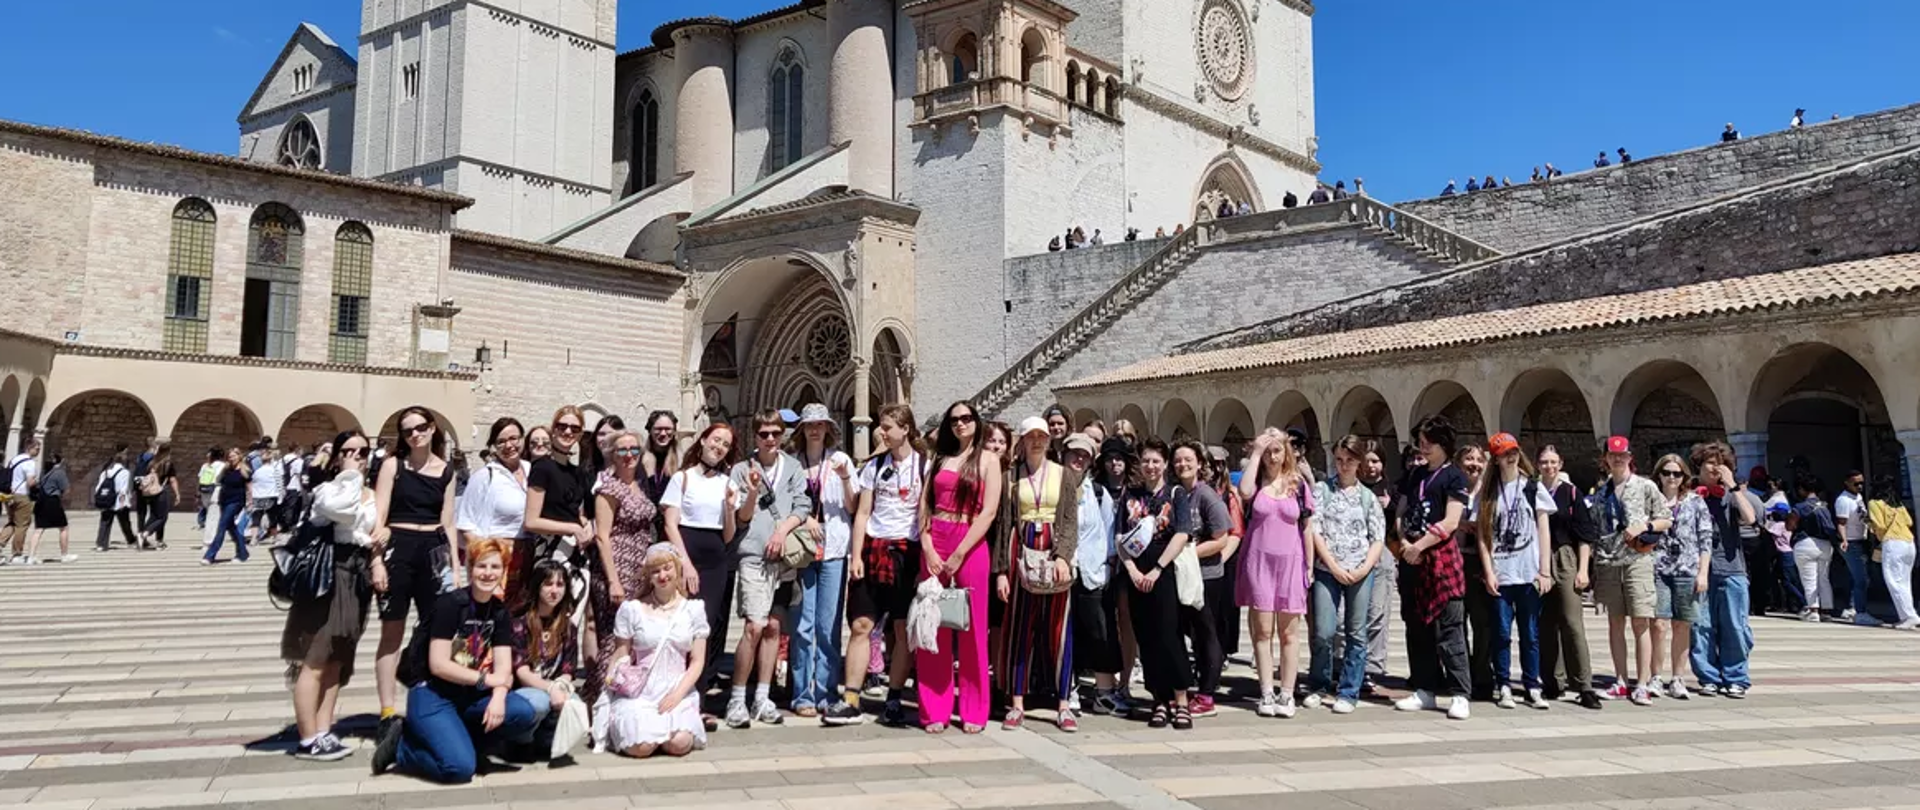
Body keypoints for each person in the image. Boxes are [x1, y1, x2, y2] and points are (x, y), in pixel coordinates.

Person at [370, 539, 536, 783]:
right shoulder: (450, 604)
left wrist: (499, 697)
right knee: (458, 769)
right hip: (434, 693)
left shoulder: (500, 612)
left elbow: (504, 669)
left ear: (503, 571)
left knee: (521, 711)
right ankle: (403, 748)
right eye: (481, 566)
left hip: (471, 695)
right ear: (470, 569)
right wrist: (486, 679)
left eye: (495, 567)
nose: (488, 573)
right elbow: (438, 665)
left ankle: (466, 743)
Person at [283, 431, 379, 761]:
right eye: (348, 450)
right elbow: (343, 511)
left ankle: (324, 730)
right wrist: (350, 474)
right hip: (328, 576)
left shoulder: (371, 492)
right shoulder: (330, 489)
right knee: (315, 658)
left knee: (338, 658)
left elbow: (374, 528)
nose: (357, 455)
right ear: (336, 455)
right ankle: (307, 737)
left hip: (356, 576)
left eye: (362, 451)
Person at [827, 405, 924, 726]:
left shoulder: (925, 466)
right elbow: (863, 513)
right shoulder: (874, 466)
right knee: (860, 626)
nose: (881, 432)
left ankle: (894, 698)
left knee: (901, 630)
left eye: (887, 427)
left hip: (907, 552)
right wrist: (856, 556)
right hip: (873, 549)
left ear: (905, 428)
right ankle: (852, 698)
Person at [373, 406, 462, 739]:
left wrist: (455, 566)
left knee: (435, 630)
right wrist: (376, 560)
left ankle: (427, 705)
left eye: (421, 427)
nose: (415, 434)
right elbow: (378, 517)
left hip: (433, 550)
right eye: (408, 430)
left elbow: (449, 521)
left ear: (432, 428)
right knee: (391, 633)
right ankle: (387, 712)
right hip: (398, 547)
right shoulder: (393, 466)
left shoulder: (447, 471)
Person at [917, 401, 1003, 734]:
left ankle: (973, 709)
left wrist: (959, 553)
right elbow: (924, 505)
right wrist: (927, 547)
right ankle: (934, 709)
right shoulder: (938, 459)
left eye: (966, 418)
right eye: (954, 420)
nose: (960, 424)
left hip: (969, 544)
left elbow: (989, 512)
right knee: (933, 625)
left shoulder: (988, 460)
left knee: (972, 631)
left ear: (976, 422)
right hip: (936, 538)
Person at [994, 417, 1079, 731]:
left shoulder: (1063, 475)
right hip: (1021, 550)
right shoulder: (1010, 477)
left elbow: (1070, 519)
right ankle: (1017, 702)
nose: (1037, 441)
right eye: (1031, 436)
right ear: (1023, 441)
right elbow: (1004, 525)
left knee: (1059, 628)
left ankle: (1064, 703)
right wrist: (1001, 570)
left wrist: (1064, 557)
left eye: (1041, 436)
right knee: (1020, 626)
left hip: (1053, 550)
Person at [728, 410, 810, 728]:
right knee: (754, 627)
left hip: (785, 559)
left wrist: (782, 531)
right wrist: (751, 490)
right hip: (754, 557)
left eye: (776, 432)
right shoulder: (741, 470)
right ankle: (737, 699)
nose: (771, 439)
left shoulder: (792, 467)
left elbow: (802, 506)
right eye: (764, 434)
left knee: (775, 628)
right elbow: (743, 518)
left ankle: (762, 697)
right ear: (755, 436)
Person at [1391, 416, 1472, 721]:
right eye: (1420, 441)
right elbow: (1402, 510)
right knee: (1416, 626)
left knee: (1450, 628)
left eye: (1428, 442)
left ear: (1443, 445)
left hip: (1439, 559)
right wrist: (1402, 541)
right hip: (1411, 557)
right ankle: (1424, 688)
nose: (1422, 447)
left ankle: (1460, 692)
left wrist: (1420, 545)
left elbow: (1451, 521)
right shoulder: (1415, 474)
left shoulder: (1454, 477)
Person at [595, 543, 709, 758]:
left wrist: (677, 694)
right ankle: (634, 728)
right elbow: (622, 654)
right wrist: (611, 682)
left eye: (667, 568)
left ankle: (664, 729)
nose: (662, 575)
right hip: (641, 690)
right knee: (641, 747)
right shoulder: (633, 609)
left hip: (677, 687)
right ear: (648, 576)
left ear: (677, 568)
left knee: (680, 744)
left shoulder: (693, 610)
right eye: (655, 571)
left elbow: (697, 661)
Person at [1474, 434, 1556, 710]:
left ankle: (1533, 685)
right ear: (1495, 459)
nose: (1511, 457)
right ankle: (1505, 684)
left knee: (1531, 633)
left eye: (1514, 451)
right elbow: (1483, 538)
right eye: (1504, 453)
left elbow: (1543, 529)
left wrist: (1544, 570)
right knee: (1501, 633)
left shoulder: (1532, 487)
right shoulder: (1488, 493)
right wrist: (1488, 572)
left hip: (1528, 572)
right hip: (1501, 572)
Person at [1305, 435, 1385, 714]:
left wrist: (1364, 568)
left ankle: (1349, 690)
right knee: (1324, 631)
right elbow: (1314, 530)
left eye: (1349, 460)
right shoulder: (1321, 490)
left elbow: (1377, 538)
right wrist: (1332, 565)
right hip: (1328, 569)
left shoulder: (1368, 498)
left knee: (1356, 631)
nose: (1343, 466)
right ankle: (1319, 683)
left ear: (1359, 462)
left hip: (1360, 570)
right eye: (1339, 460)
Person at [1237, 426, 1312, 718]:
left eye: (1277, 450)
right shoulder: (1254, 483)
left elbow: (1306, 525)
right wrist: (1256, 451)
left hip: (1291, 562)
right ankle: (1266, 690)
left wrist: (1309, 564)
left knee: (1289, 633)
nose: (1272, 456)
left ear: (1287, 452)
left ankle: (1287, 693)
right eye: (1267, 451)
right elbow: (1243, 493)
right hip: (1259, 562)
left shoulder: (1298, 484)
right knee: (1263, 631)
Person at [788, 404, 857, 718]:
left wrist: (844, 479)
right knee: (803, 624)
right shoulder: (792, 464)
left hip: (833, 549)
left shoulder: (841, 460)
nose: (815, 430)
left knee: (828, 625)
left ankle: (827, 692)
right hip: (802, 551)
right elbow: (785, 504)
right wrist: (802, 521)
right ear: (802, 429)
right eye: (809, 425)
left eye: (820, 424)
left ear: (829, 428)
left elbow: (853, 506)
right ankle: (802, 693)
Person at [1120, 438, 1194, 729]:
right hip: (1136, 573)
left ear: (1164, 464)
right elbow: (1120, 536)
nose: (1150, 466)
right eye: (1146, 461)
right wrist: (1133, 571)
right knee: (1146, 637)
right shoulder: (1131, 494)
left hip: (1164, 572)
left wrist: (1158, 568)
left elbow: (1182, 533)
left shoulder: (1175, 494)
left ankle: (1182, 699)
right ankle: (1158, 699)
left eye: (1156, 461)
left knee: (1170, 635)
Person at [1590, 436, 1669, 706]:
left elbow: (1666, 518)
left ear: (1629, 457)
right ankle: (1621, 680)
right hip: (1609, 561)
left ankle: (1643, 683)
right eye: (1612, 455)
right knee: (1615, 622)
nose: (1617, 459)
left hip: (1638, 560)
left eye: (1622, 455)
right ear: (1606, 459)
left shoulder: (1645, 486)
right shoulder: (1601, 493)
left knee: (1641, 621)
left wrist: (1645, 526)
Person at [585, 429, 657, 712]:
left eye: (634, 450)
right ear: (612, 455)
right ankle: (599, 701)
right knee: (612, 638)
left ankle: (623, 699)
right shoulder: (608, 488)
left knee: (630, 637)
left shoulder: (640, 484)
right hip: (615, 569)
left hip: (640, 570)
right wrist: (613, 580)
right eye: (622, 451)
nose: (629, 456)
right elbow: (602, 536)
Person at [1689, 443, 1758, 696]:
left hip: (1732, 569)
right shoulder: (1693, 496)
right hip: (1699, 570)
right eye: (1710, 462)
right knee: (1701, 626)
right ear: (1699, 466)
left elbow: (1750, 518)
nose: (1716, 467)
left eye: (1722, 463)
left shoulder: (1733, 495)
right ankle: (1707, 676)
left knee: (1735, 625)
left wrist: (1733, 486)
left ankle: (1736, 676)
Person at [1064, 433, 1125, 717]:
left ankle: (1103, 693)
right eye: (1074, 453)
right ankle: (1067, 687)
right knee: (1064, 633)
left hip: (1092, 570)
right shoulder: (1053, 487)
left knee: (1100, 631)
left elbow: (1110, 530)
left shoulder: (1097, 492)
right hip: (1060, 571)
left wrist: (1110, 563)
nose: (1078, 459)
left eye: (1084, 455)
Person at [1536, 446, 1600, 709]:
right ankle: (1553, 680)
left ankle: (1584, 685)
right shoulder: (1534, 491)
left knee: (1572, 621)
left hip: (1564, 557)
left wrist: (1583, 569)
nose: (1549, 466)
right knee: (1545, 622)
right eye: (1544, 462)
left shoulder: (1571, 493)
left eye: (1553, 462)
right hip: (1539, 557)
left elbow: (1584, 534)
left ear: (1560, 463)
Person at [1647, 454, 1712, 700]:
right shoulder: (1652, 500)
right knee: (1659, 624)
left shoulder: (1695, 502)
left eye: (1677, 473)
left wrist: (1703, 572)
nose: (1671, 477)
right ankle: (1655, 676)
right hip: (1658, 569)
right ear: (1659, 475)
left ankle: (1677, 677)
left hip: (1687, 569)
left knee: (1683, 624)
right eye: (1667, 472)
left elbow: (1705, 538)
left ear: (1684, 476)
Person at [1173, 441, 1230, 718]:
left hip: (1206, 576)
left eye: (1188, 460)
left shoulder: (1206, 496)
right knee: (1191, 633)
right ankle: (1195, 687)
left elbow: (1222, 539)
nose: (1183, 464)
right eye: (1178, 461)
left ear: (1198, 464)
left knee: (1207, 633)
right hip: (1182, 575)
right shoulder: (1176, 495)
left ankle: (1207, 694)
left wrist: (1186, 554)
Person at [511, 560, 581, 760]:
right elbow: (521, 672)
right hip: (525, 690)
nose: (554, 591)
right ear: (537, 586)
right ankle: (520, 740)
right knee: (540, 702)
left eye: (560, 585)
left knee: (573, 702)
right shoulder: (519, 623)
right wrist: (550, 689)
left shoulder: (568, 627)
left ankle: (546, 736)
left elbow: (568, 668)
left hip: (553, 686)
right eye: (548, 584)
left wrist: (561, 685)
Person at [1091, 437, 1141, 713]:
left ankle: (1124, 681)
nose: (1115, 463)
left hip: (1127, 564)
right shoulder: (1095, 489)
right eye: (1110, 458)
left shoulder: (1134, 491)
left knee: (1126, 623)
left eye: (1119, 458)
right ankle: (1107, 681)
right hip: (1101, 563)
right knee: (1104, 622)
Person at [456, 418, 530, 600]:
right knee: (493, 617)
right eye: (501, 441)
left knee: (522, 620)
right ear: (493, 446)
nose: (509, 445)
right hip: (497, 557)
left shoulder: (532, 470)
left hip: (528, 557)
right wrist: (489, 563)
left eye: (514, 438)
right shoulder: (483, 478)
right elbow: (466, 526)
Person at [1453, 445, 1494, 702]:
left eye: (1479, 460)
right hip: (1455, 560)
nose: (1475, 464)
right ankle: (1460, 675)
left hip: (1480, 562)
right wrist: (1458, 524)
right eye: (1469, 459)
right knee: (1456, 622)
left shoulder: (1489, 493)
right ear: (1459, 463)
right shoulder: (1453, 489)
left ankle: (1482, 676)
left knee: (1482, 623)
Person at [1866, 476, 1918, 630]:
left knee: (1894, 581)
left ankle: (1909, 616)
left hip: (1892, 542)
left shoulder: (1874, 503)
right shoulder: (1898, 504)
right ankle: (1907, 615)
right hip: (1908, 542)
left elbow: (1880, 525)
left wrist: (1870, 525)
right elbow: (1909, 522)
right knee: (1904, 581)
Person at [1786, 475, 1837, 622]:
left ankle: (1813, 609)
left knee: (1808, 578)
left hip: (1805, 543)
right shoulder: (1825, 506)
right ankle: (1827, 610)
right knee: (1824, 578)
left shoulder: (1800, 507)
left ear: (1802, 489)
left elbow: (1791, 526)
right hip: (1825, 545)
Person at [1833, 470, 1879, 625]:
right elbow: (1841, 523)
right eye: (1856, 483)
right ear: (1847, 482)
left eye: (1861, 483)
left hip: (1861, 540)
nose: (1859, 486)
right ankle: (1861, 612)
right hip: (1851, 543)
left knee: (1857, 577)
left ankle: (1852, 607)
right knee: (1861, 579)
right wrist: (1844, 540)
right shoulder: (1844, 500)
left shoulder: (1858, 498)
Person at [201, 448, 248, 562]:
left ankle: (210, 555)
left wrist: (250, 502)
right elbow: (218, 481)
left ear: (239, 456)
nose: (231, 458)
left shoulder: (244, 470)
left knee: (222, 526)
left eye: (234, 456)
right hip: (224, 501)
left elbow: (249, 487)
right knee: (231, 527)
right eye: (229, 456)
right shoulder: (226, 469)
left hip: (236, 501)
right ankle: (243, 553)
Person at [130, 441, 178, 551]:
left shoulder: (152, 462)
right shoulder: (167, 463)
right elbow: (172, 479)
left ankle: (142, 534)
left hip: (150, 493)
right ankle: (145, 534)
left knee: (154, 515)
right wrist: (177, 494)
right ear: (168, 451)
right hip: (162, 491)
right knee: (162, 517)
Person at [25, 453, 72, 563]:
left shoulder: (43, 472)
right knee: (63, 528)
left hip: (41, 501)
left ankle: (31, 556)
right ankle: (64, 555)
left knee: (38, 529)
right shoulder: (59, 473)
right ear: (60, 461)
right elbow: (66, 489)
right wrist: (63, 496)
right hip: (53, 501)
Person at [3, 438, 41, 563]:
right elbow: (30, 482)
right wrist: (37, 482)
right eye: (37, 448)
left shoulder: (15, 459)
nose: (38, 451)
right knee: (22, 525)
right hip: (22, 496)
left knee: (12, 522)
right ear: (29, 448)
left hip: (10, 495)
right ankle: (17, 554)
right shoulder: (30, 463)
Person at [94, 449, 137, 552]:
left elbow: (98, 487)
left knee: (105, 522)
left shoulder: (105, 472)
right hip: (118, 501)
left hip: (107, 500)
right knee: (125, 522)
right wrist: (122, 503)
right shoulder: (125, 472)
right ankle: (131, 541)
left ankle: (101, 544)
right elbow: (123, 489)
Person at [641, 410, 680, 507]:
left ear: (674, 431)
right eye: (658, 429)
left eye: (668, 429)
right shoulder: (639, 460)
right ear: (650, 430)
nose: (663, 433)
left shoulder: (682, 462)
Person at [195, 447, 222, 532]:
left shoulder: (205, 466)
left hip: (204, 489)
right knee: (214, 511)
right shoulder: (223, 465)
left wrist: (197, 492)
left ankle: (205, 524)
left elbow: (200, 479)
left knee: (207, 508)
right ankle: (211, 528)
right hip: (216, 489)